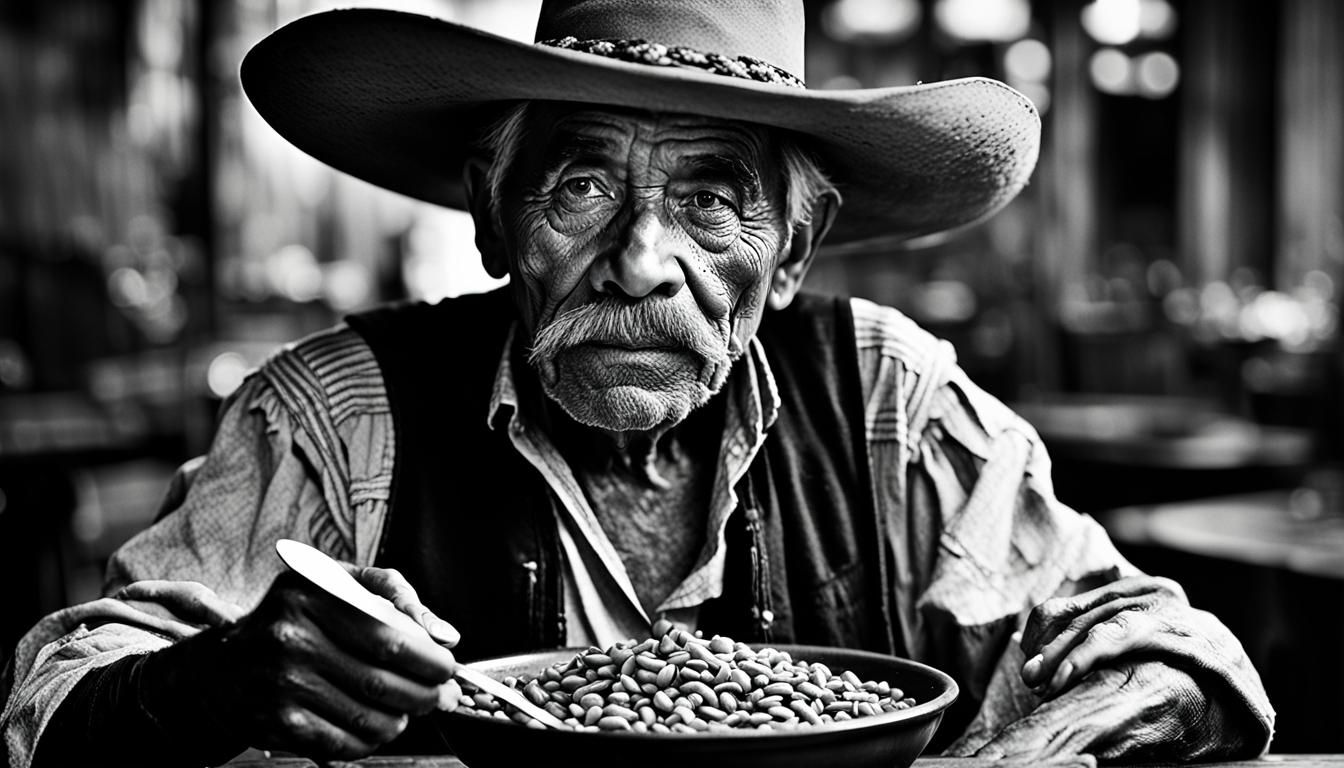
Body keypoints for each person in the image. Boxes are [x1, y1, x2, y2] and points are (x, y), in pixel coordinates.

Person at [1, 1, 1273, 765]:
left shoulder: (886, 398)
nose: (642, 264)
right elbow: (51, 708)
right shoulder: (337, 417)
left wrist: (1015, 759)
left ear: (791, 256)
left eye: (714, 200)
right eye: (583, 186)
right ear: (494, 218)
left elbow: (1169, 653)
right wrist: (208, 683)